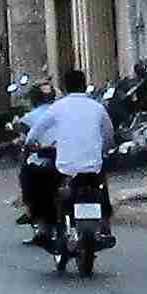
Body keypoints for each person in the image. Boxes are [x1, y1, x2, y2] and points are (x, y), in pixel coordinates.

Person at [20, 68, 111, 244]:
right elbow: (108, 134)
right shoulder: (98, 107)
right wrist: (104, 149)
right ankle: (105, 224)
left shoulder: (57, 108)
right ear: (84, 85)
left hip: (65, 167)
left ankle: (48, 226)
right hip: (93, 166)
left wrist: (29, 144)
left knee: (49, 187)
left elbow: (35, 132)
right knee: (101, 185)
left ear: (65, 87)